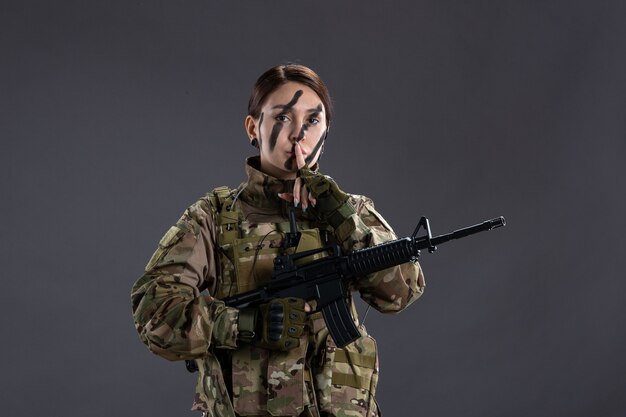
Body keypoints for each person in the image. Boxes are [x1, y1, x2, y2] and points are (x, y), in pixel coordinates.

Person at [131, 64, 425, 417]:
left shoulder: (350, 212)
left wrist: (341, 215)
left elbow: (401, 292)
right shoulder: (212, 217)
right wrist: (243, 324)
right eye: (283, 118)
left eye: (312, 121)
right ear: (253, 127)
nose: (298, 134)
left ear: (326, 131)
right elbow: (153, 313)